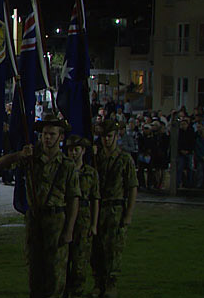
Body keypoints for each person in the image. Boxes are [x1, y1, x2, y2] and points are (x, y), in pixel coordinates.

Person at [0, 114, 80, 298]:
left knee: (56, 274)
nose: (47, 138)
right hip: (35, 220)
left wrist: (69, 230)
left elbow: (74, 199)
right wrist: (20, 154)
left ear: (60, 137)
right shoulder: (31, 159)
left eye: (51, 134)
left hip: (56, 221)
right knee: (36, 274)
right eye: (44, 134)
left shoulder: (67, 165)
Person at [91, 119, 138, 298]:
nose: (106, 140)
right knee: (96, 249)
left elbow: (132, 187)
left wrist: (128, 215)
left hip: (115, 208)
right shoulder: (97, 158)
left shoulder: (124, 159)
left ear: (116, 137)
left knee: (113, 248)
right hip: (99, 208)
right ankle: (98, 282)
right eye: (103, 137)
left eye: (110, 136)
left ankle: (111, 283)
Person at [65, 135, 100, 298]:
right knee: (64, 260)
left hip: (84, 219)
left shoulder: (91, 173)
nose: (73, 153)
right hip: (65, 218)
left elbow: (95, 199)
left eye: (76, 150)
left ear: (83, 151)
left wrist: (94, 224)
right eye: (70, 150)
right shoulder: (63, 171)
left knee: (80, 261)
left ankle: (77, 292)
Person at [177, 117, 196, 188]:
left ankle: (189, 183)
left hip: (189, 152)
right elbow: (178, 143)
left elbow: (192, 143)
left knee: (190, 168)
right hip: (181, 153)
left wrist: (188, 151)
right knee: (180, 168)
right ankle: (178, 183)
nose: (183, 126)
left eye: (184, 124)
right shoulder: (179, 132)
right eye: (182, 124)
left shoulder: (191, 132)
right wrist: (181, 150)